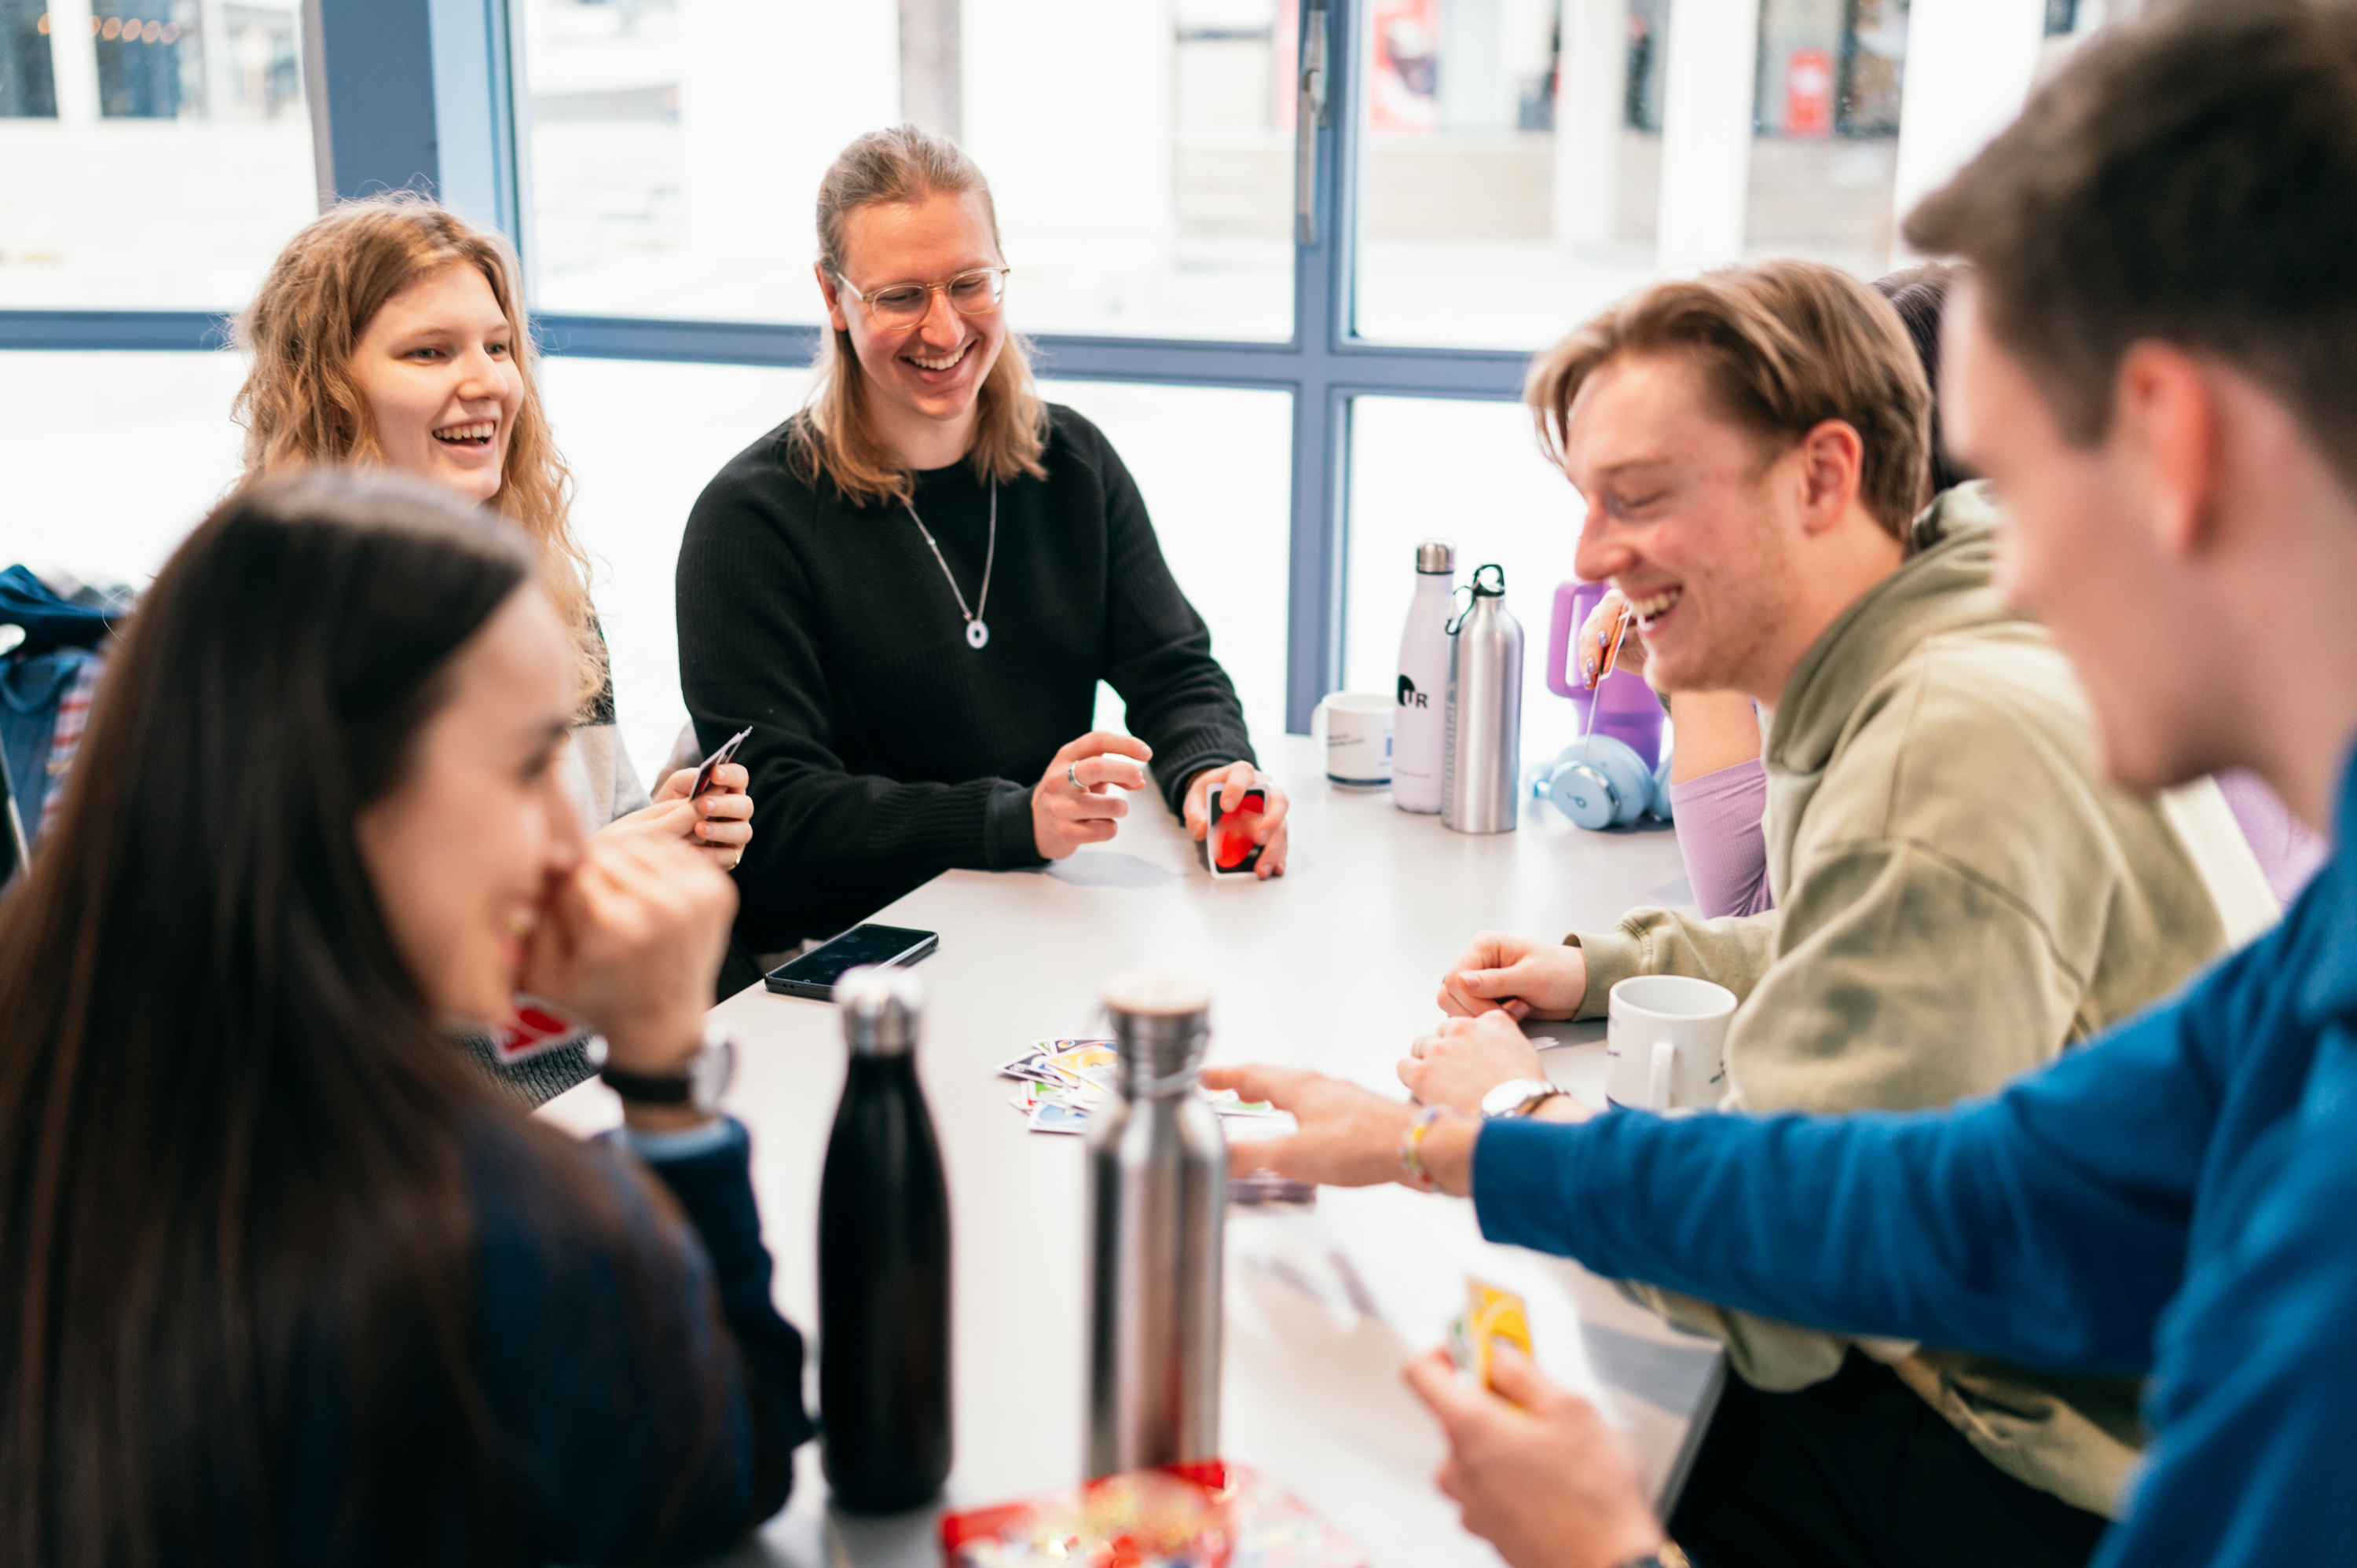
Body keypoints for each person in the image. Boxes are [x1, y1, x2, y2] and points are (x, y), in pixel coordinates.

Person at [1210, 2, 2357, 1565]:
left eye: (2014, 480)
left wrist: (1615, 1553)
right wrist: (1438, 1144)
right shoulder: (2319, 955)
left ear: (2181, 446)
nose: (2003, 564)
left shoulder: (1971, 719)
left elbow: (1846, 1279)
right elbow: (1954, 1198)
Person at [1391, 258, 2247, 1563]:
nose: (1587, 556)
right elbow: (1868, 942)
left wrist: (1513, 1116)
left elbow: (1789, 1284)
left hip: (2083, 1475)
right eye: (1585, 502)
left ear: (1824, 478)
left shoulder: (1941, 743)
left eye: (1639, 498)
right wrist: (1611, 962)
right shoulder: (1967, 637)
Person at [0, 471, 812, 1563]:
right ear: (337, 790)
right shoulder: (504, 1235)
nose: (572, 844)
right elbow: (731, 1454)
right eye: (527, 767)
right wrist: (664, 1080)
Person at [676, 126, 1285, 974]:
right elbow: (781, 806)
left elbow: (1174, 671)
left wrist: (1214, 775)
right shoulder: (750, 522)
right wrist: (1010, 820)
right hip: (842, 957)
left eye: (970, 283)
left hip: (1031, 915)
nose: (944, 327)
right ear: (832, 294)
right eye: (899, 296)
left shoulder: (1073, 464)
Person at [235, 194, 755, 1079]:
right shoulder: (266, 632)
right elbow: (302, 968)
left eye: (498, 344)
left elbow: (605, 825)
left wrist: (670, 827)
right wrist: (567, 885)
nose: (488, 382)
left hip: (585, 1063)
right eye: (430, 352)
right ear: (326, 389)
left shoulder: (542, 594)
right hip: (416, 1115)